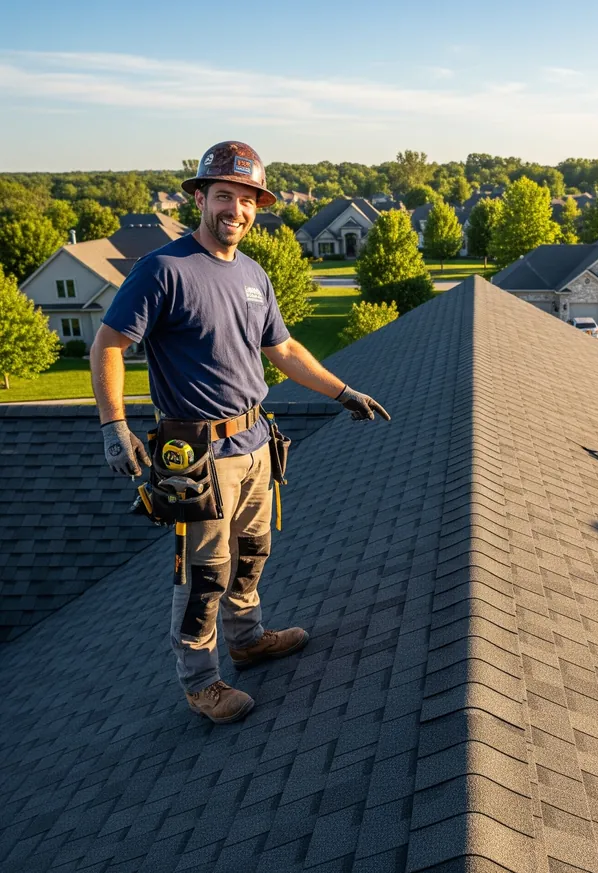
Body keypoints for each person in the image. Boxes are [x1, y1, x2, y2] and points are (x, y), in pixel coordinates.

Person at [90, 141, 390, 725]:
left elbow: (283, 350)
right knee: (205, 574)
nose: (237, 209)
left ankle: (249, 640)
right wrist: (113, 426)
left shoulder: (254, 274)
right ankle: (201, 684)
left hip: (255, 444)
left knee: (252, 553)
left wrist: (342, 391)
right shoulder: (163, 270)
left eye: (247, 199)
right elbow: (109, 344)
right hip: (196, 455)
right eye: (224, 195)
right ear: (200, 198)